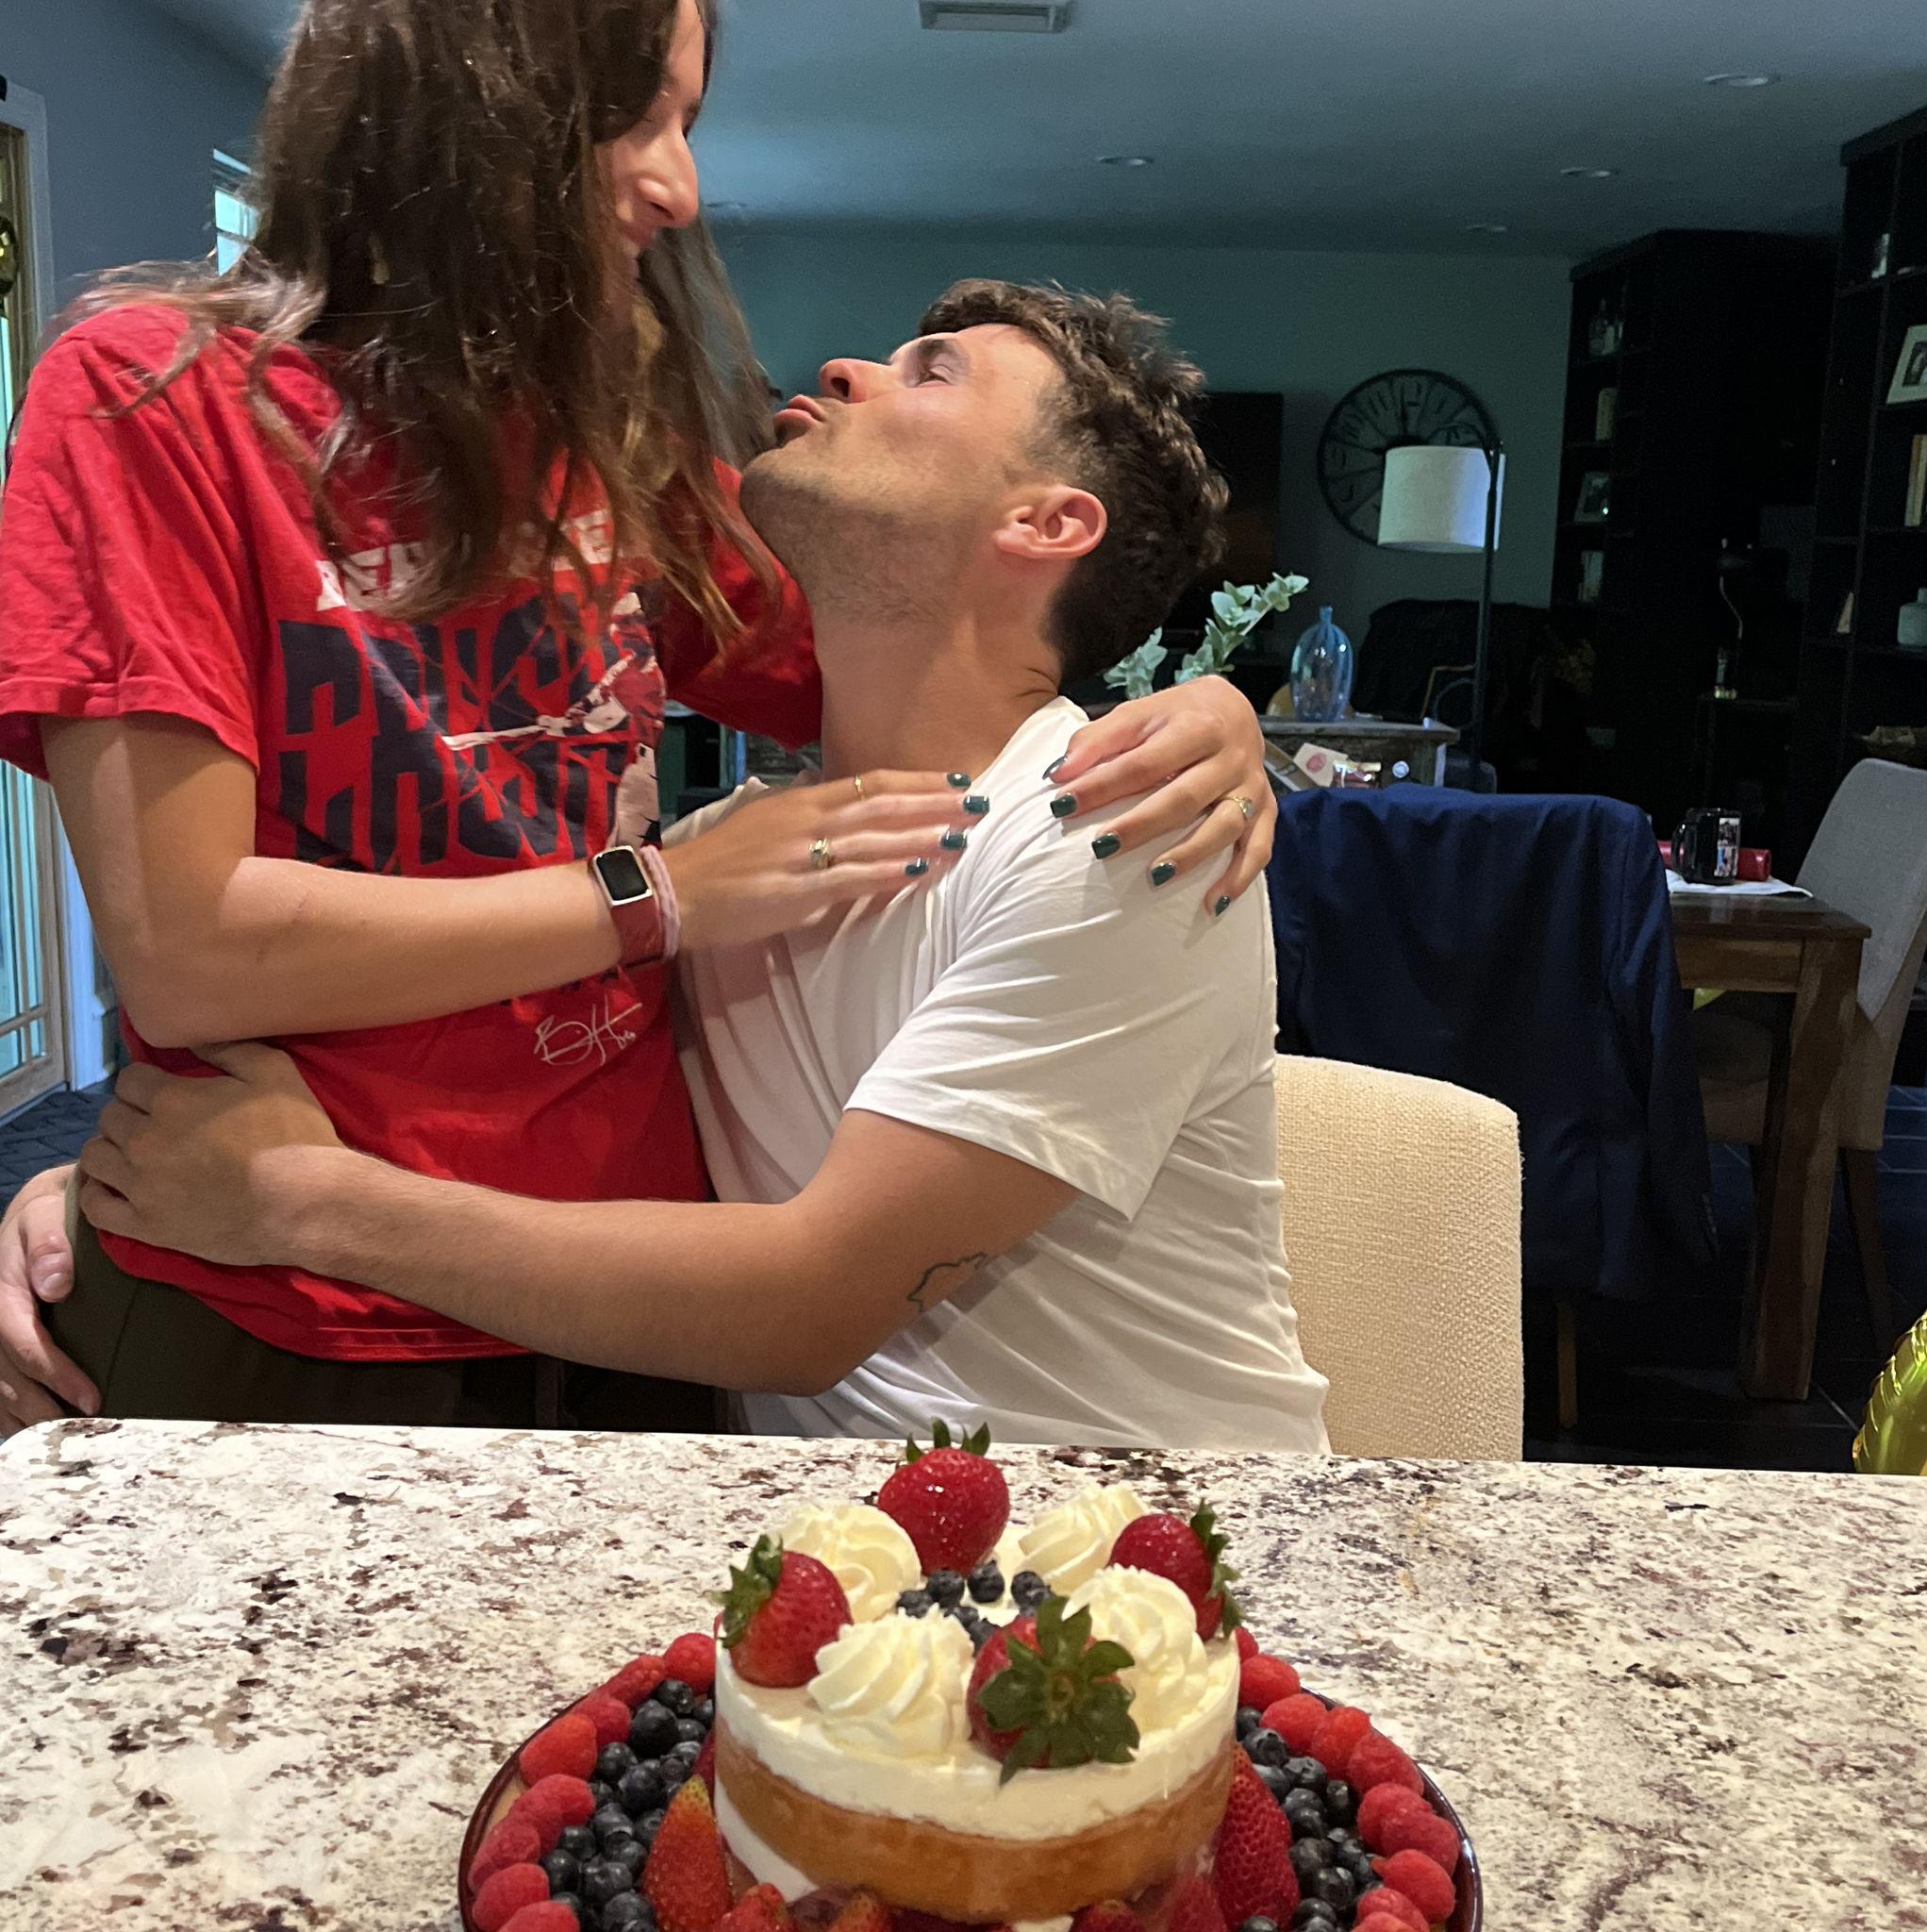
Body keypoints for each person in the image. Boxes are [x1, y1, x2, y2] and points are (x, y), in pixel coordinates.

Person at [0, 0, 1274, 1435]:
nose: (675, 189)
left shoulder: (618, 455)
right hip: (269, 1292)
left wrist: (1211, 713)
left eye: (689, 128)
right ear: (462, 89)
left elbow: (941, 672)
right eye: (636, 119)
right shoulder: (146, 398)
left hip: (625, 1312)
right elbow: (185, 957)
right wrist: (652, 895)